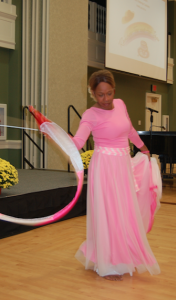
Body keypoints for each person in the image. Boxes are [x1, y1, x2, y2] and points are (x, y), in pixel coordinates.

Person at [72, 70, 161, 281]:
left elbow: (130, 130)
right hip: (104, 167)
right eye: (100, 95)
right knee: (109, 213)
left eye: (109, 93)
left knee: (124, 211)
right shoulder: (90, 115)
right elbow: (78, 142)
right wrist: (60, 137)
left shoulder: (120, 104)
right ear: (93, 94)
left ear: (114, 90)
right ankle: (110, 262)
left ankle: (124, 254)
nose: (106, 99)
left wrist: (144, 148)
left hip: (123, 165)